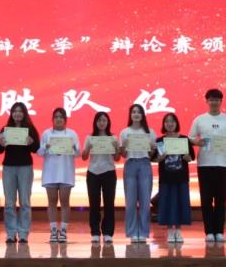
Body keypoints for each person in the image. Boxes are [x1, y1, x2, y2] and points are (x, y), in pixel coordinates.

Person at [189, 89, 226, 243]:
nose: (214, 102)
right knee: (206, 199)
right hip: (205, 164)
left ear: (221, 101)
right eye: (211, 99)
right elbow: (190, 138)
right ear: (207, 101)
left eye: (217, 99)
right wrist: (198, 142)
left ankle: (219, 231)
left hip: (222, 164)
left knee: (221, 199)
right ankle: (209, 231)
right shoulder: (200, 119)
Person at [0, 102, 40, 243]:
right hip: (9, 168)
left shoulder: (30, 129)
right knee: (9, 202)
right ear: (11, 114)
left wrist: (31, 142)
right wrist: (1, 143)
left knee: (25, 202)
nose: (17, 114)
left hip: (25, 167)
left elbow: (36, 148)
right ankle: (10, 233)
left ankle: (23, 233)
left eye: (20, 111)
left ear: (24, 113)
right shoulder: (5, 129)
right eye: (15, 111)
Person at [38, 108, 80, 243]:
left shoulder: (72, 133)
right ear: (52, 119)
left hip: (66, 172)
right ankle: (53, 231)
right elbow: (39, 152)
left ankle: (63, 231)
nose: (58, 119)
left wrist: (73, 147)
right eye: (56, 117)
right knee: (51, 202)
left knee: (65, 201)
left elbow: (78, 153)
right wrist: (45, 146)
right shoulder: (46, 133)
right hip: (50, 173)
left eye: (61, 117)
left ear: (65, 119)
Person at [154, 113, 195, 243]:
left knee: (180, 203)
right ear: (164, 124)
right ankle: (170, 231)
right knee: (167, 203)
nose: (170, 124)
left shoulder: (184, 139)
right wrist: (160, 157)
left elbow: (191, 157)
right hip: (166, 177)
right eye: (167, 121)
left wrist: (187, 157)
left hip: (181, 177)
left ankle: (178, 230)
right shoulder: (160, 141)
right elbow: (154, 159)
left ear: (176, 123)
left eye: (172, 121)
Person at [119, 104, 157, 243]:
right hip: (130, 165)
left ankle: (143, 232)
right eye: (134, 112)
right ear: (130, 115)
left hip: (145, 165)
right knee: (130, 201)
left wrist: (152, 149)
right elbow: (123, 154)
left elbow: (152, 154)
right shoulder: (125, 132)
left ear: (143, 115)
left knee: (145, 201)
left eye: (139, 112)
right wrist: (124, 146)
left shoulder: (150, 132)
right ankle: (132, 232)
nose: (136, 114)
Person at [82, 111, 120, 244]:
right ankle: (95, 232)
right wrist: (88, 148)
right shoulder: (90, 138)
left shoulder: (113, 138)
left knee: (109, 203)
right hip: (93, 172)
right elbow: (84, 157)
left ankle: (108, 232)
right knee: (94, 204)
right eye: (99, 120)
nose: (102, 123)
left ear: (108, 122)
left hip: (109, 172)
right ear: (95, 122)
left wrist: (116, 148)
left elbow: (117, 158)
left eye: (104, 120)